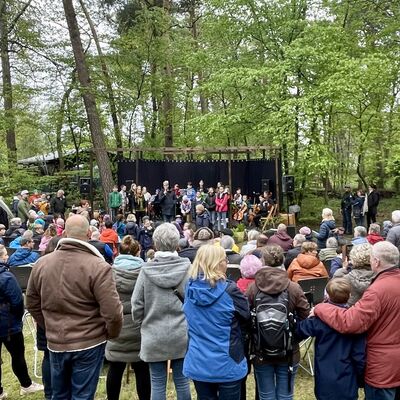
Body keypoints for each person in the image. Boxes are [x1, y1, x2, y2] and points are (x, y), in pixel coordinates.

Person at [26, 214, 123, 400]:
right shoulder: (98, 266)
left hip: (59, 340)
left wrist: (49, 325)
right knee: (82, 396)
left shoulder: (42, 264)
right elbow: (113, 312)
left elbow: (31, 302)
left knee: (59, 395)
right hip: (88, 342)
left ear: (65, 234)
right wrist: (110, 333)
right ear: (88, 234)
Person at [313, 241, 400, 400]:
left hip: (383, 366)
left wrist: (321, 308)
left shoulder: (378, 290)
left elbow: (350, 323)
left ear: (376, 262)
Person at [131, 223, 192, 400]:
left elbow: (136, 304)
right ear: (177, 243)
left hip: (153, 333)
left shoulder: (145, 270)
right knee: (182, 381)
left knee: (157, 383)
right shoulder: (188, 269)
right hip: (181, 333)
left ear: (155, 244)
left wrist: (142, 324)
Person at [183, 245, 250, 400]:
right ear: (218, 263)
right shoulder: (230, 290)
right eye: (225, 260)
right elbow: (246, 318)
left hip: (199, 360)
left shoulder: (189, 288)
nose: (227, 263)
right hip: (228, 361)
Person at [246, 245, 310, 400]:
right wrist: (294, 337)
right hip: (289, 350)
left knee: (266, 395)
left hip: (261, 351)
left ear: (262, 261)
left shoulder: (253, 288)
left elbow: (246, 317)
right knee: (285, 395)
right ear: (282, 260)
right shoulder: (293, 287)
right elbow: (305, 315)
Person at [297, 278, 365, 400]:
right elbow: (359, 355)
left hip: (325, 377)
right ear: (350, 295)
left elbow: (299, 331)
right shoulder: (355, 321)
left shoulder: (318, 320)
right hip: (347, 377)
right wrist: (361, 378)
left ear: (326, 295)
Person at [106, 236, 150, 400]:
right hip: (139, 326)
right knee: (142, 369)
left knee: (115, 368)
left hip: (116, 326)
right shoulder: (145, 272)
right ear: (138, 252)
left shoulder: (109, 272)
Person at [0, 246, 44, 398]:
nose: (7, 257)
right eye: (5, 254)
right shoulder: (6, 277)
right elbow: (18, 301)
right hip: (8, 324)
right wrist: (17, 318)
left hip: (6, 320)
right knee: (17, 355)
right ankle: (26, 384)